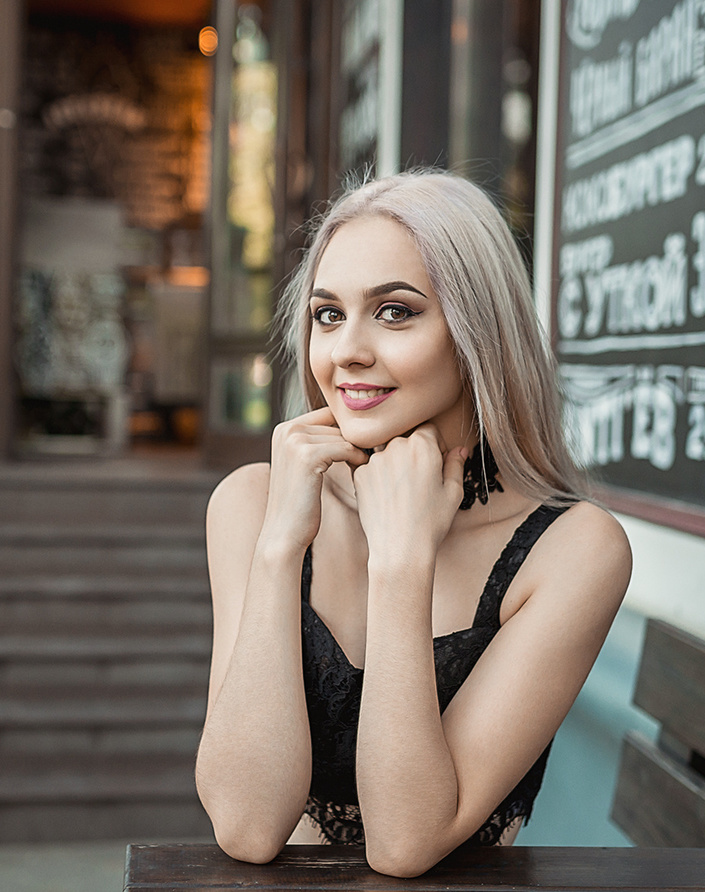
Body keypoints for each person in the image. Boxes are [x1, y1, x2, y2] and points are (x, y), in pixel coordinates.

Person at [195, 170, 633, 877]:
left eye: (395, 312)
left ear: (476, 332)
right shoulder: (253, 505)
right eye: (328, 315)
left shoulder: (573, 550)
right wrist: (280, 547)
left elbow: (404, 843)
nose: (346, 352)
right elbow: (247, 825)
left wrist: (401, 563)